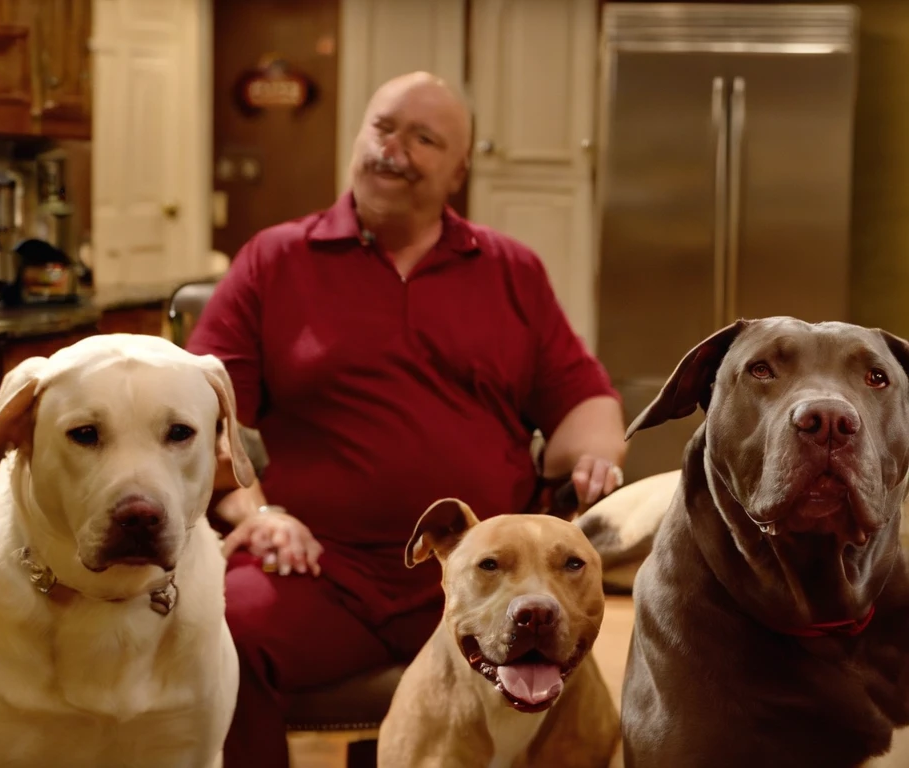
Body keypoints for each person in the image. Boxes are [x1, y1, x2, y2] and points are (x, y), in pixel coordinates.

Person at [185, 71, 627, 767]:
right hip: (322, 572)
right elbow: (200, 413)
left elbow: (584, 399)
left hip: (487, 573)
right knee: (218, 629)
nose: (395, 149)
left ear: (458, 170)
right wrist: (254, 513)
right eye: (383, 127)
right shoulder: (274, 260)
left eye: (424, 139)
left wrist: (593, 457)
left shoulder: (510, 269)